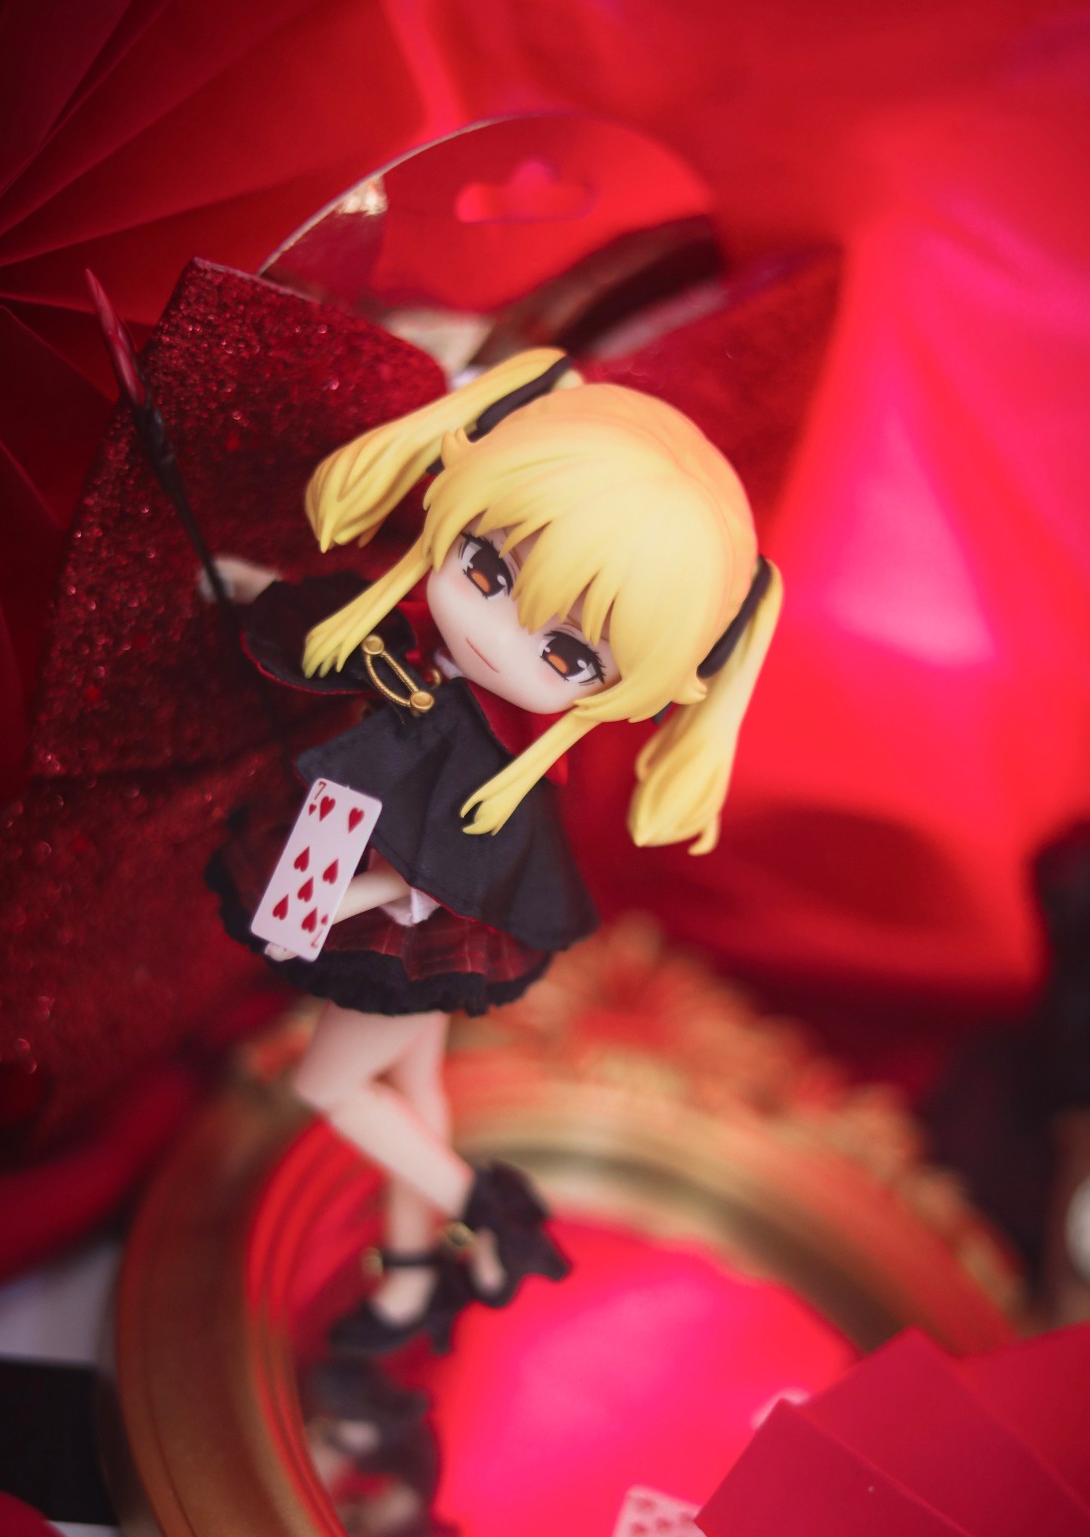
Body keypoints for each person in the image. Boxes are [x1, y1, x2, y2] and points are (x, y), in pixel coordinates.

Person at [210, 348, 781, 1351]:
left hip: (403, 939)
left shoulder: (479, 753)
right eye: (485, 567)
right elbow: (333, 641)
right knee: (414, 1087)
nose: (499, 636)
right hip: (399, 924)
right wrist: (251, 592)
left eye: (568, 656)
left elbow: (412, 881)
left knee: (326, 1085)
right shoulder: (427, 673)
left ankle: (484, 1208)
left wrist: (346, 896)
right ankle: (409, 1282)